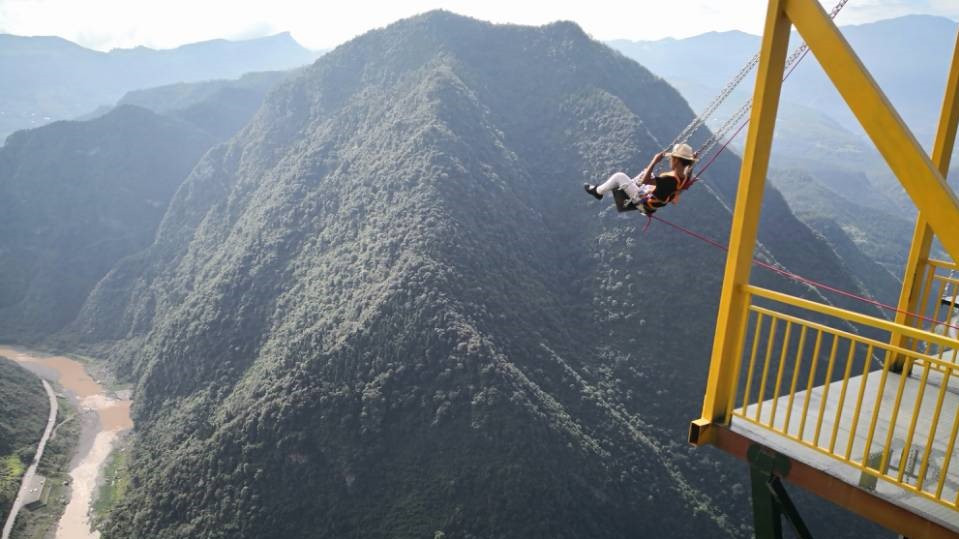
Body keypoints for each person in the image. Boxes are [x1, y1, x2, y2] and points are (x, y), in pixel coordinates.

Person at [584, 143, 698, 214]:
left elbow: (645, 181)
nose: (670, 161)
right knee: (646, 173)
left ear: (676, 160)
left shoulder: (669, 179)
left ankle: (597, 191)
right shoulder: (683, 178)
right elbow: (687, 177)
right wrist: (692, 162)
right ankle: (630, 185)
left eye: (671, 159)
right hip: (652, 202)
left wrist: (654, 161)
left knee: (620, 176)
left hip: (644, 203)